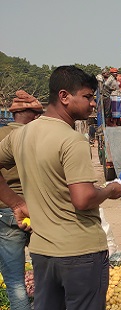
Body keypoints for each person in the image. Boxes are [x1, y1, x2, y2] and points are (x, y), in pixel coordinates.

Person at [0, 66, 121, 309]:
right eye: (87, 97)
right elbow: (83, 198)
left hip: (43, 252)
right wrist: (110, 191)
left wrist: (16, 202)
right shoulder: (72, 140)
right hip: (80, 252)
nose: (92, 104)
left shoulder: (22, 135)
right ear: (64, 97)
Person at [0, 90, 43, 310]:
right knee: (47, 275)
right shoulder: (39, 136)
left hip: (7, 210)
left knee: (15, 281)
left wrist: (13, 203)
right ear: (33, 114)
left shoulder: (2, 134)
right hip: (37, 209)